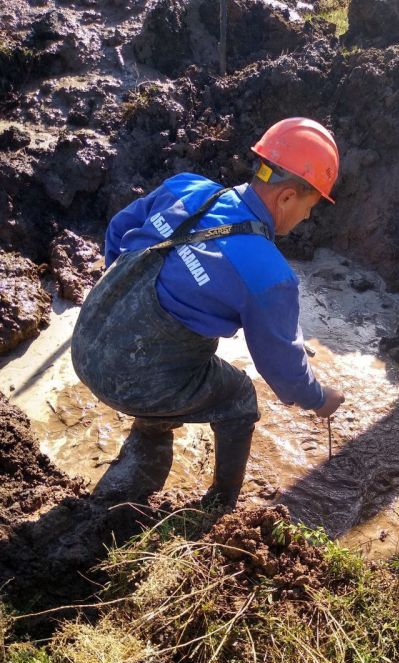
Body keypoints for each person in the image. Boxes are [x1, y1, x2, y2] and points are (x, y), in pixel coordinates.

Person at [71, 117, 345, 509]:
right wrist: (319, 399)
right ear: (287, 197)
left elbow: (118, 229)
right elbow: (282, 370)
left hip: (86, 338)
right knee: (240, 397)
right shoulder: (270, 274)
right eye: (309, 207)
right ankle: (221, 504)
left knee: (177, 357)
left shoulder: (187, 187)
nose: (305, 218)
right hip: (126, 380)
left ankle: (150, 435)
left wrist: (121, 299)